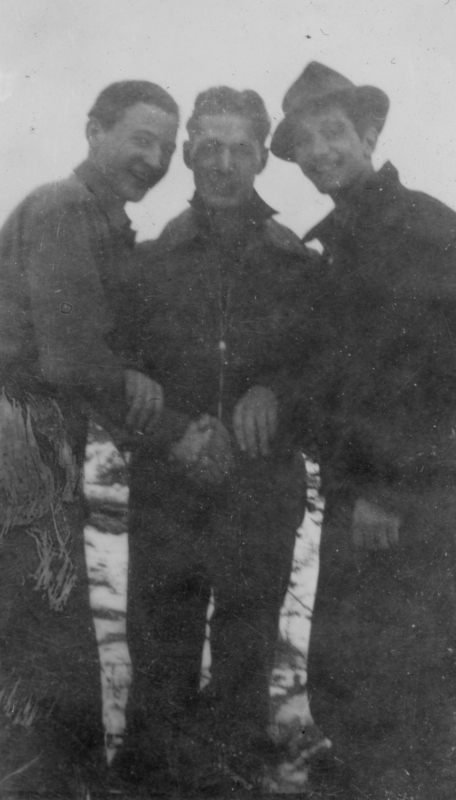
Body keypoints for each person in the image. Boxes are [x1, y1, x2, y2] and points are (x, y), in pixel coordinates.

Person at [271, 62, 456, 799]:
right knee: (349, 658)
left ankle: (426, 782)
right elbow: (333, 372)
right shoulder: (339, 242)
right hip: (361, 484)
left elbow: (430, 372)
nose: (318, 151)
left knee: (412, 666)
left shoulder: (424, 228)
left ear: (369, 132)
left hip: (407, 490)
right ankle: (363, 773)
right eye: (303, 141)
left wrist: (384, 489)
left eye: (332, 132)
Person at [121, 85, 320, 797]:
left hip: (260, 487)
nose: (224, 164)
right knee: (159, 645)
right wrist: (168, 425)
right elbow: (119, 364)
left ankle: (232, 769)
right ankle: (150, 773)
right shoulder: (150, 260)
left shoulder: (299, 263)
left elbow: (327, 369)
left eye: (240, 148)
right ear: (187, 153)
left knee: (245, 647)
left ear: (264, 156)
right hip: (168, 482)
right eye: (209, 147)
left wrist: (278, 393)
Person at [0, 80, 180, 798]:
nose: (155, 158)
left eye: (166, 146)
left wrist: (131, 373)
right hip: (19, 431)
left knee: (44, 613)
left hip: (39, 434)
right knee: (39, 621)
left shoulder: (102, 222)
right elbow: (72, 358)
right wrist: (169, 434)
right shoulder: (64, 207)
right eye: (141, 138)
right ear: (94, 131)